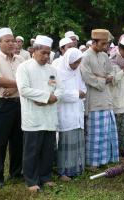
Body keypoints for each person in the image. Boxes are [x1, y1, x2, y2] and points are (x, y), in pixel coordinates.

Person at [16, 35, 63, 192]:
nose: (46, 56)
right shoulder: (24, 67)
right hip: (33, 116)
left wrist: (54, 97)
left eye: (48, 53)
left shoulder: (53, 70)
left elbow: (60, 89)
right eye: (43, 52)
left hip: (49, 115)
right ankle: (31, 180)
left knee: (47, 149)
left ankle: (46, 177)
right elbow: (23, 89)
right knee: (32, 150)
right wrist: (45, 97)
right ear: (34, 51)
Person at [0, 27, 24, 187]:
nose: (11, 44)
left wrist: (16, 87)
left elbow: (26, 79)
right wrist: (20, 84)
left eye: (13, 40)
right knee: (0, 143)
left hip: (19, 104)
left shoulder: (21, 60)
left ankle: (15, 174)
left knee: (18, 141)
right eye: (7, 41)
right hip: (2, 105)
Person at [81, 29, 119, 170]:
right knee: (95, 135)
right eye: (103, 44)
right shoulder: (85, 57)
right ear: (93, 42)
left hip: (106, 99)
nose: (105, 47)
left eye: (106, 44)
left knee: (106, 133)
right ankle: (93, 163)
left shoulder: (104, 55)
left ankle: (104, 159)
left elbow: (112, 72)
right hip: (93, 100)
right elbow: (87, 77)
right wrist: (103, 79)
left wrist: (102, 77)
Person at [57, 48, 86, 181]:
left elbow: (83, 87)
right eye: (75, 62)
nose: (76, 65)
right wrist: (76, 94)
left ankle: (77, 168)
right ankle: (64, 171)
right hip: (66, 113)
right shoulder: (58, 73)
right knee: (67, 142)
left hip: (77, 110)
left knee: (78, 140)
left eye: (78, 62)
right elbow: (60, 94)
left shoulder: (77, 72)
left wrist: (82, 93)